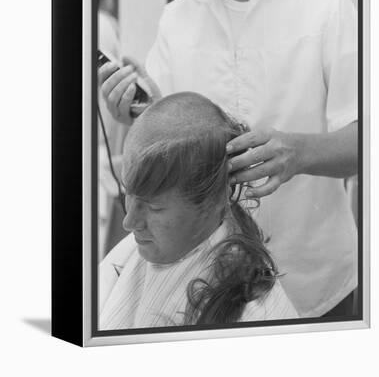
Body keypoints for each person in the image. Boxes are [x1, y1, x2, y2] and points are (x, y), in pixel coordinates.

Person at [99, 0, 358, 318]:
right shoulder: (177, 20)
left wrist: (300, 152)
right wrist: (138, 111)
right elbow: (172, 128)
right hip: (211, 288)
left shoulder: (325, 6)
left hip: (316, 280)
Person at [99, 92, 298, 329]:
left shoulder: (255, 320)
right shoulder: (144, 246)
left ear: (212, 202)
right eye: (127, 192)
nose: (129, 223)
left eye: (155, 207)